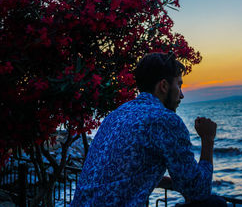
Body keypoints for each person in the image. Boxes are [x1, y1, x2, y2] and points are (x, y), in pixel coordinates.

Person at [71, 52, 227, 207]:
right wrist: (208, 139)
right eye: (179, 85)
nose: (182, 95)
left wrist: (175, 183)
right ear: (164, 86)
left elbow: (125, 172)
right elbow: (199, 191)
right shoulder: (164, 120)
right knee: (215, 204)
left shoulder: (117, 114)